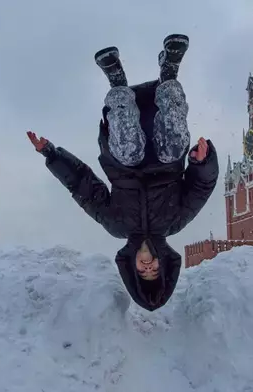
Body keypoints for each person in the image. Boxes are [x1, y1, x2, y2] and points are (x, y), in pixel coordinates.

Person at [26, 34, 219, 311]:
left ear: (133, 269)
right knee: (174, 148)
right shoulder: (175, 221)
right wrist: (202, 162)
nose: (148, 266)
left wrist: (51, 154)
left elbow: (83, 186)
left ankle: (116, 80)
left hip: (122, 157)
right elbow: (202, 187)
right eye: (155, 270)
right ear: (163, 263)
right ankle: (169, 75)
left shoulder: (116, 224)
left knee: (129, 153)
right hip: (166, 158)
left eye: (144, 273)